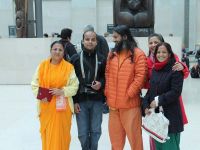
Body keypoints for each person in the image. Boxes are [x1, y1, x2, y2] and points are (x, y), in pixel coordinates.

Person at [105, 25, 147, 150]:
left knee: (135, 140)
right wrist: (108, 92)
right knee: (115, 141)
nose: (114, 39)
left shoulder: (138, 54)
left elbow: (141, 77)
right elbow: (107, 74)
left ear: (125, 37)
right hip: (113, 106)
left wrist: (129, 93)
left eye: (116, 37)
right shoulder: (112, 54)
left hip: (130, 105)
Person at [31, 41, 79, 150]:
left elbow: (75, 86)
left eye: (60, 50)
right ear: (50, 50)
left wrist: (62, 91)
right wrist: (40, 95)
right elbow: (34, 84)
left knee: (62, 136)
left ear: (63, 53)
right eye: (55, 49)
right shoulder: (42, 66)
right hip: (46, 107)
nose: (57, 52)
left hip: (63, 109)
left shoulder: (69, 67)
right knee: (48, 137)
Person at [144, 33, 189, 150]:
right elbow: (150, 88)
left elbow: (176, 90)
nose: (160, 54)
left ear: (169, 53)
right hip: (156, 116)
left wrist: (184, 67)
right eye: (151, 43)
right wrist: (145, 105)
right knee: (156, 145)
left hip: (171, 112)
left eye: (163, 52)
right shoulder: (152, 66)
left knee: (170, 144)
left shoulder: (175, 66)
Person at [70, 30, 106, 150]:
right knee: (83, 133)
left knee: (96, 131)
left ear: (96, 42)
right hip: (80, 100)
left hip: (97, 100)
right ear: (82, 41)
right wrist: (74, 101)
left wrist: (101, 83)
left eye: (93, 39)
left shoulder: (102, 58)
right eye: (87, 39)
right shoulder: (75, 59)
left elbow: (106, 77)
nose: (90, 42)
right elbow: (71, 82)